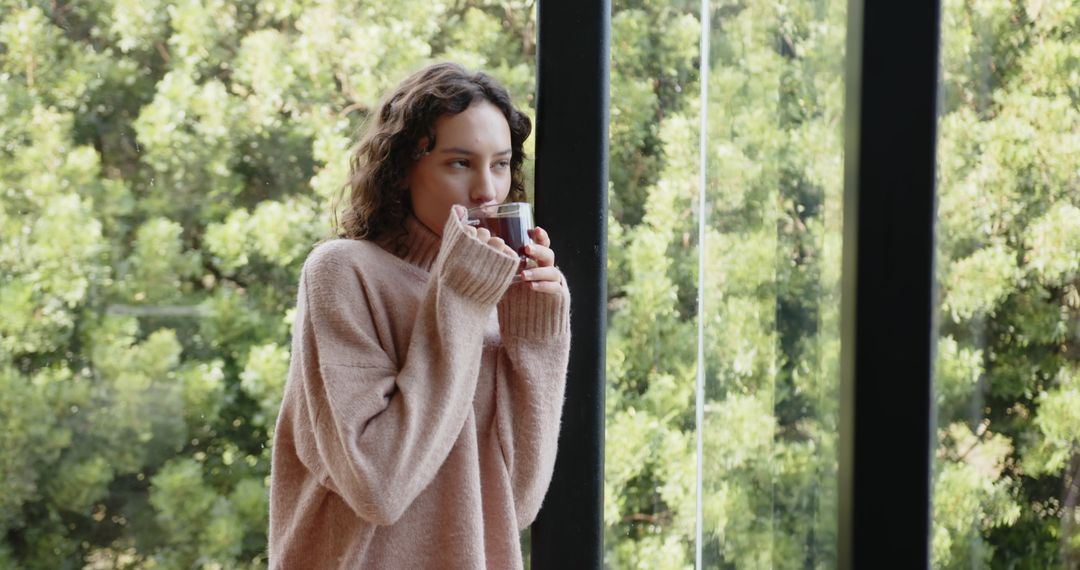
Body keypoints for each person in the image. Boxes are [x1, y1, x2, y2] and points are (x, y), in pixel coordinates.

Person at [268, 62, 571, 569]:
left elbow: (513, 503)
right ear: (404, 168)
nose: (487, 191)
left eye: (500, 164)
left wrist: (535, 337)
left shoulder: (486, 294)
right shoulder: (343, 272)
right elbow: (378, 489)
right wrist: (460, 302)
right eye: (459, 163)